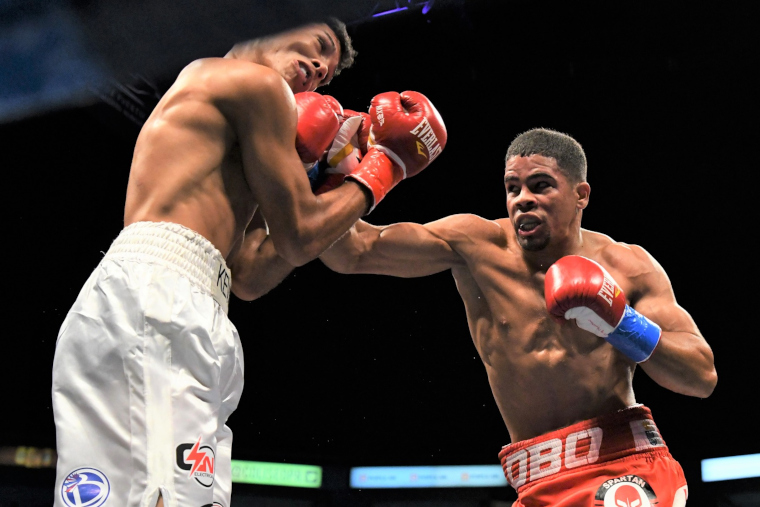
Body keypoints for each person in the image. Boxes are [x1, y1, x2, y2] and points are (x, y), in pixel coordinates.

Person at [51, 17, 446, 507]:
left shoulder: (232, 120)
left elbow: (251, 275)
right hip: (160, 299)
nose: (320, 69)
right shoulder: (253, 84)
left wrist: (324, 182)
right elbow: (302, 237)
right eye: (319, 47)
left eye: (326, 76)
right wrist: (386, 164)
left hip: (172, 301)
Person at [318, 127, 716, 506]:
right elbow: (354, 252)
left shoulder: (628, 267)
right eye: (512, 188)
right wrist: (323, 170)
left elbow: (701, 376)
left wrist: (620, 319)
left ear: (581, 195)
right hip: (535, 482)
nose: (522, 198)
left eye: (540, 185)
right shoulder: (476, 246)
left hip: (624, 467)